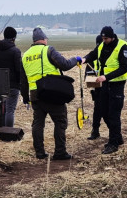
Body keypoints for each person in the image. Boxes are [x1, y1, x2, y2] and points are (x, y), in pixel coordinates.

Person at [20, 27, 83, 160]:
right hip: (51, 92)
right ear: (43, 39)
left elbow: (23, 80)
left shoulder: (25, 56)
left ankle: (40, 152)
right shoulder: (48, 50)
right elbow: (65, 65)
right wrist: (76, 59)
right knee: (60, 121)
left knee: (38, 124)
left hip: (35, 95)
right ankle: (60, 152)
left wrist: (26, 97)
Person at [82, 26, 127, 154]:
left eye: (106, 38)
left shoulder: (122, 46)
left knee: (114, 115)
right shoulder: (102, 46)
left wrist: (106, 77)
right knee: (104, 112)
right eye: (102, 38)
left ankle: (113, 143)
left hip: (116, 85)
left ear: (112, 37)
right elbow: (93, 54)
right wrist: (84, 59)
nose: (104, 40)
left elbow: (124, 68)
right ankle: (117, 137)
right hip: (104, 85)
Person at [0, 26, 23, 129]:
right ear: (14, 38)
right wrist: (20, 84)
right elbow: (19, 70)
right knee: (10, 110)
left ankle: (1, 130)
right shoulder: (16, 51)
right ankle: (8, 133)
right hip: (12, 86)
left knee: (1, 109)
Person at [85, 34, 103, 140]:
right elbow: (88, 76)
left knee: (104, 111)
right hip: (98, 88)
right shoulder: (93, 57)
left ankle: (114, 133)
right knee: (97, 111)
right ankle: (95, 131)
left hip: (108, 86)